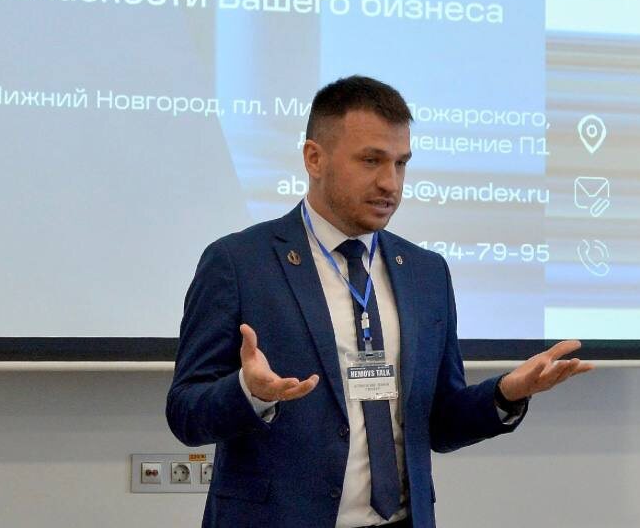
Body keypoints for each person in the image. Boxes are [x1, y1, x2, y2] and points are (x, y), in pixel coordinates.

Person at [166, 75, 593, 528]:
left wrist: (506, 393)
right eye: (371, 160)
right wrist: (248, 393)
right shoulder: (239, 263)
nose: (390, 183)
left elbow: (440, 424)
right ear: (314, 158)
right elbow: (185, 413)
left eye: (400, 163)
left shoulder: (426, 273)